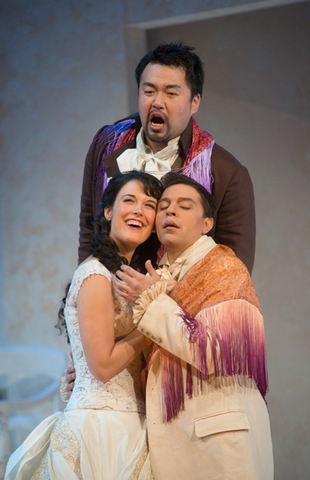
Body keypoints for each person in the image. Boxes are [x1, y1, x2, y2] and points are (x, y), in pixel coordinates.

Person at [114, 172, 273, 480]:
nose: (170, 211)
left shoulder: (225, 267)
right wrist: (97, 372)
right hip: (170, 438)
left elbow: (214, 352)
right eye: (163, 206)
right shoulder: (154, 275)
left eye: (184, 206)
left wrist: (151, 298)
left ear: (207, 224)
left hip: (219, 442)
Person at [5, 171, 163, 480]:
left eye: (149, 205)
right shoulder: (95, 275)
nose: (138, 211)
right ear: (108, 211)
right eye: (128, 200)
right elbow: (102, 366)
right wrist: (151, 319)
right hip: (100, 431)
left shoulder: (127, 279)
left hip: (131, 426)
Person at [79, 42, 256, 274]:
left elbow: (234, 272)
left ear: (195, 102)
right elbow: (89, 230)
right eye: (149, 91)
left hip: (176, 305)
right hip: (106, 293)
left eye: (171, 93)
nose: (157, 102)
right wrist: (89, 285)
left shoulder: (224, 172)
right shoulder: (105, 143)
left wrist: (159, 299)